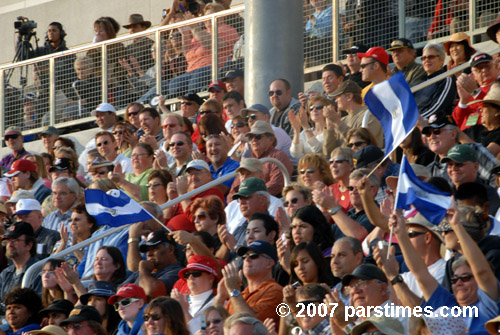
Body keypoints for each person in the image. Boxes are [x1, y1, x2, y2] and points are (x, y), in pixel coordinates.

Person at [167, 4, 239, 97]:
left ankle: (191, 100)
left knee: (198, 76)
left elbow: (211, 44)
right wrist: (185, 33)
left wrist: (194, 28)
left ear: (220, 17)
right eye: (205, 17)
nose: (206, 19)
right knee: (174, 82)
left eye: (210, 16)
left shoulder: (226, 29)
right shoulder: (201, 33)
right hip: (192, 70)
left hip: (213, 69)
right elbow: (187, 54)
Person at [216, 241, 283, 325]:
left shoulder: (276, 291)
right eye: (244, 257)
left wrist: (233, 291)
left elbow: (251, 324)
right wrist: (220, 297)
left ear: (269, 263)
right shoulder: (239, 294)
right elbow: (212, 323)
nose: (247, 259)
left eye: (253, 256)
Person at [325, 80, 384, 151]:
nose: (336, 100)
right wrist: (330, 129)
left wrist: (337, 122)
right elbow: (328, 152)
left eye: (338, 96)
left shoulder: (369, 115)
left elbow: (361, 144)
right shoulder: (342, 120)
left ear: (349, 96)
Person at [124, 230, 183, 298]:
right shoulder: (144, 270)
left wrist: (144, 270)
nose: (149, 254)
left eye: (154, 249)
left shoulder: (178, 273)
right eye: (147, 250)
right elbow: (120, 291)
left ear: (170, 249)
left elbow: (152, 292)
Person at [453, 52, 499, 130]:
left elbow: (492, 108)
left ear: (496, 67)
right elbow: (455, 124)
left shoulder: (497, 86)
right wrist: (463, 101)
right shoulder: (471, 93)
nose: (484, 70)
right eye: (479, 68)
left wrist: (476, 93)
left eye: (487, 66)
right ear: (473, 75)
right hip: (467, 136)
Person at [246, 121, 293, 197]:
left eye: (258, 136)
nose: (253, 140)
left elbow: (277, 184)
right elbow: (235, 186)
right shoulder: (249, 161)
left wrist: (251, 196)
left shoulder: (278, 157)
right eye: (251, 137)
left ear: (271, 139)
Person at [174, 255, 220, 332]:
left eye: (196, 273)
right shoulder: (181, 300)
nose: (190, 277)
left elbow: (204, 333)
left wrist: (184, 311)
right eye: (187, 274)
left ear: (211, 278)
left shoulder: (219, 304)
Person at [414, 43, 457, 121]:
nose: (427, 60)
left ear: (442, 60)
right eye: (424, 58)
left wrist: (413, 121)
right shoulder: (420, 84)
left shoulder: (445, 80)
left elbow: (437, 108)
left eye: (431, 57)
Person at [0, 221, 41, 301]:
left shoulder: (38, 271)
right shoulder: (5, 274)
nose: (10, 245)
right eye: (8, 241)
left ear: (29, 245)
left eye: (15, 240)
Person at [330, 237, 364, 305]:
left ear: (358, 258)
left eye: (342, 255)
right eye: (332, 256)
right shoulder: (332, 292)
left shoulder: (371, 288)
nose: (334, 261)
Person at [328, 147, 355, 213]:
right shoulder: (330, 189)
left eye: (338, 161)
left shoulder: (357, 190)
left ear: (351, 166)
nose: (333, 165)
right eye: (331, 162)